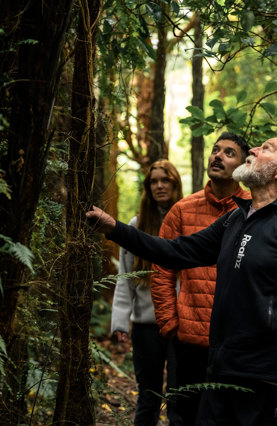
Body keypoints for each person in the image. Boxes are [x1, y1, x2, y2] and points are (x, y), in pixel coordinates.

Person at [87, 136, 277, 425]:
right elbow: (176, 251)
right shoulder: (235, 219)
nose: (254, 150)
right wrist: (115, 228)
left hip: (268, 381)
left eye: (266, 148)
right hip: (221, 373)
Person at [150, 132, 250, 425]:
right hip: (189, 339)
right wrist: (170, 323)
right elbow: (162, 269)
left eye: (229, 153)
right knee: (184, 417)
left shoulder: (256, 210)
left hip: (236, 343)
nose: (217, 156)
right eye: (215, 150)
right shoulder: (182, 210)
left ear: (244, 167)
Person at [110, 159, 183, 426]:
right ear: (147, 187)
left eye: (166, 180)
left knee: (180, 397)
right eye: (154, 181)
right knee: (148, 397)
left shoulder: (188, 220)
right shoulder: (136, 224)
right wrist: (120, 322)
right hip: (146, 326)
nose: (160, 186)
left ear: (176, 184)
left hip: (182, 325)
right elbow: (125, 279)